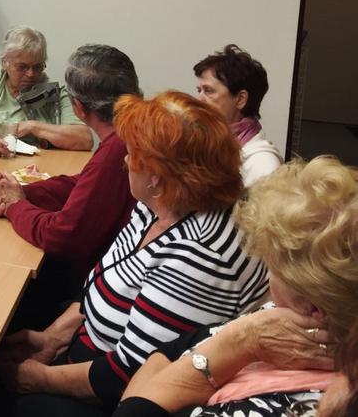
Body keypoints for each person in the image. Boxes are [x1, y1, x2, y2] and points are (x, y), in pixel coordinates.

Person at [0, 91, 269, 415]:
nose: (123, 161)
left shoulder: (200, 255)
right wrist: (53, 337)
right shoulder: (159, 206)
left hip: (112, 397)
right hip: (88, 350)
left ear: (157, 179)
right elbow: (109, 278)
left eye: (132, 154)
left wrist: (37, 379)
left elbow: (124, 376)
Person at [115, 156, 358, 416]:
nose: (267, 279)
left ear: (315, 309)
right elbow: (166, 351)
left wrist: (241, 342)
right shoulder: (280, 316)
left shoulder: (294, 407)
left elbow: (132, 409)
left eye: (272, 268)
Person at [0, 44, 141, 329]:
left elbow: (62, 236)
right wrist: (22, 191)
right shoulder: (128, 132)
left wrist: (15, 205)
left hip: (90, 289)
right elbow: (83, 184)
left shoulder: (119, 147)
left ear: (78, 107)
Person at [0, 26, 92, 153]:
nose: (30, 74)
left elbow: (84, 139)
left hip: (38, 170)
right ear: (5, 62)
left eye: (37, 67)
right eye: (22, 67)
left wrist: (33, 127)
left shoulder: (55, 94)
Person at [194, 44, 281, 186]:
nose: (199, 100)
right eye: (199, 90)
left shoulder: (263, 164)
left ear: (240, 99)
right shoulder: (206, 146)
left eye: (208, 91)